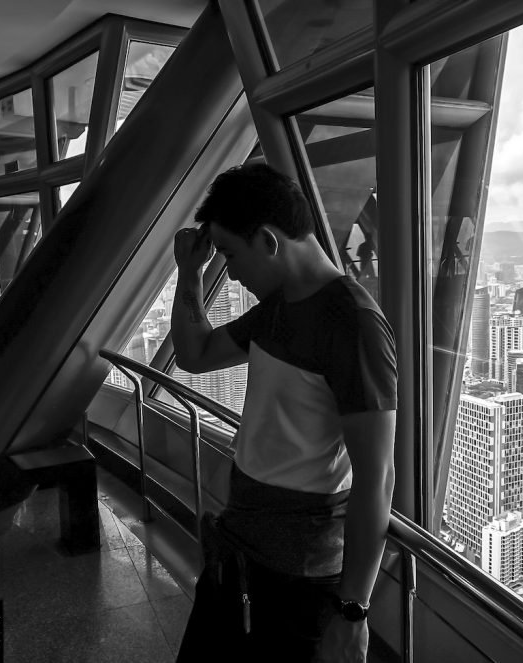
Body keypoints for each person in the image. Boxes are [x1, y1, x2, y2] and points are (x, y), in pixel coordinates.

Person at [172, 163, 397, 663]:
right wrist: (189, 273)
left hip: (297, 578)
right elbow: (196, 355)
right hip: (241, 551)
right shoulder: (279, 306)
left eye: (231, 254)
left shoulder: (352, 325)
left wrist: (354, 612)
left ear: (270, 242)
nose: (229, 271)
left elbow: (376, 479)